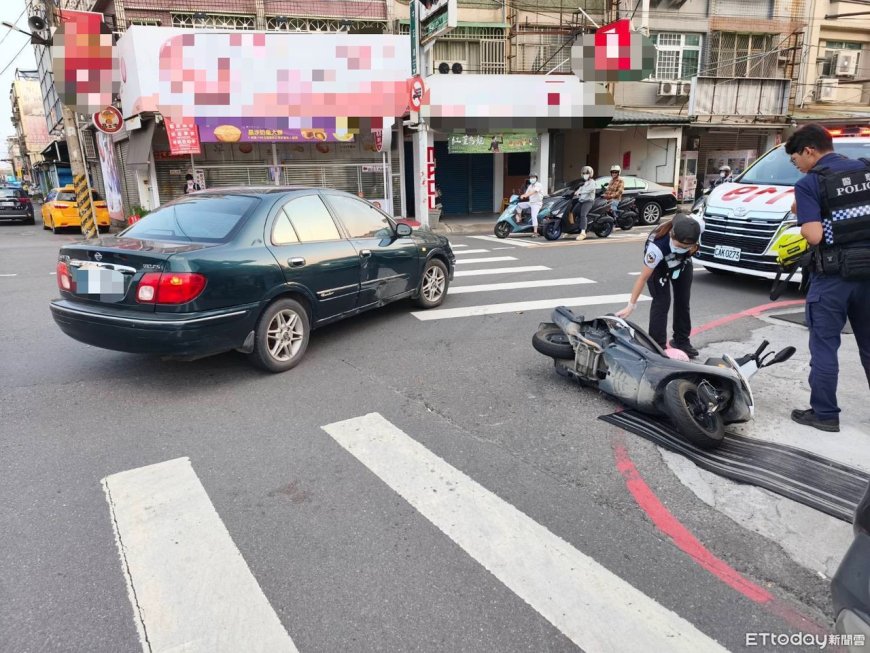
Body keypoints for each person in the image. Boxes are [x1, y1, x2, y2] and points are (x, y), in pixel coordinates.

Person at [784, 123, 870, 433]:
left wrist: (802, 213)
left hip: (833, 277)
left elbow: (814, 235)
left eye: (796, 161)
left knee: (824, 346)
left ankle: (824, 414)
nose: (798, 167)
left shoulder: (810, 183)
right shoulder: (865, 169)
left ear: (809, 152)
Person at [615, 212, 704, 357]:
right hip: (660, 267)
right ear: (672, 235)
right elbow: (643, 278)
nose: (679, 248)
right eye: (678, 245)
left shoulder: (698, 226)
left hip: (682, 263)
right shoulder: (656, 247)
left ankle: (681, 341)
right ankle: (657, 345)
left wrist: (687, 251)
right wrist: (631, 305)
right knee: (662, 301)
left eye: (685, 247)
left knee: (683, 300)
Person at [572, 165, 597, 241]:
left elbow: (589, 190)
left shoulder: (592, 182)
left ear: (590, 174)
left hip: (588, 201)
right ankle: (579, 226)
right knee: (574, 211)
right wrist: (576, 191)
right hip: (581, 201)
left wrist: (580, 192)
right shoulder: (585, 183)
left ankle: (583, 233)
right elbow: (580, 189)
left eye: (587, 173)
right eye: (584, 173)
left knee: (583, 215)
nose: (585, 175)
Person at [516, 172, 544, 236]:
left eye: (533, 177)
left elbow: (533, 192)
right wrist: (520, 196)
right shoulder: (530, 186)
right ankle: (520, 219)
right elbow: (526, 193)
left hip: (537, 203)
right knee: (518, 205)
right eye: (531, 177)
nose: (531, 178)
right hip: (531, 203)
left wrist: (525, 196)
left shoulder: (538, 185)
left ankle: (535, 232)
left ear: (536, 178)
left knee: (534, 216)